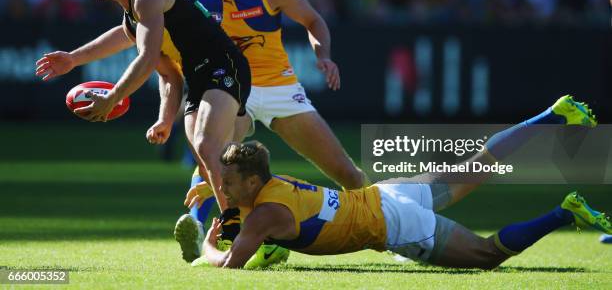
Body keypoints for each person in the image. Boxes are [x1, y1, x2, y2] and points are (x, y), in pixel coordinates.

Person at [180, 95, 610, 269]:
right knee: (479, 164)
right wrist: (212, 190)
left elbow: (231, 265)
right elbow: (243, 200)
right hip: (385, 192)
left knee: (486, 255)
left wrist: (207, 245)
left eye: (229, 182)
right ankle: (554, 114)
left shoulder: (266, 214)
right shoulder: (272, 184)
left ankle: (565, 210)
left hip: (395, 223)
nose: (225, 188)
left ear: (253, 180)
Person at [34, 0, 251, 222]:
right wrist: (164, 118)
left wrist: (111, 98)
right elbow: (169, 75)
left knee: (207, 147)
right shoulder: (135, 16)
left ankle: (235, 226)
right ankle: (251, 221)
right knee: (206, 155)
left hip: (225, 66)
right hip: (199, 80)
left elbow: (146, 58)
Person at [177, 0, 367, 231]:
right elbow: (144, 29)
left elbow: (314, 21)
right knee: (214, 152)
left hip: (281, 88)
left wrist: (325, 57)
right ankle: (196, 228)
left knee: (347, 173)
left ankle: (394, 228)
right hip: (234, 89)